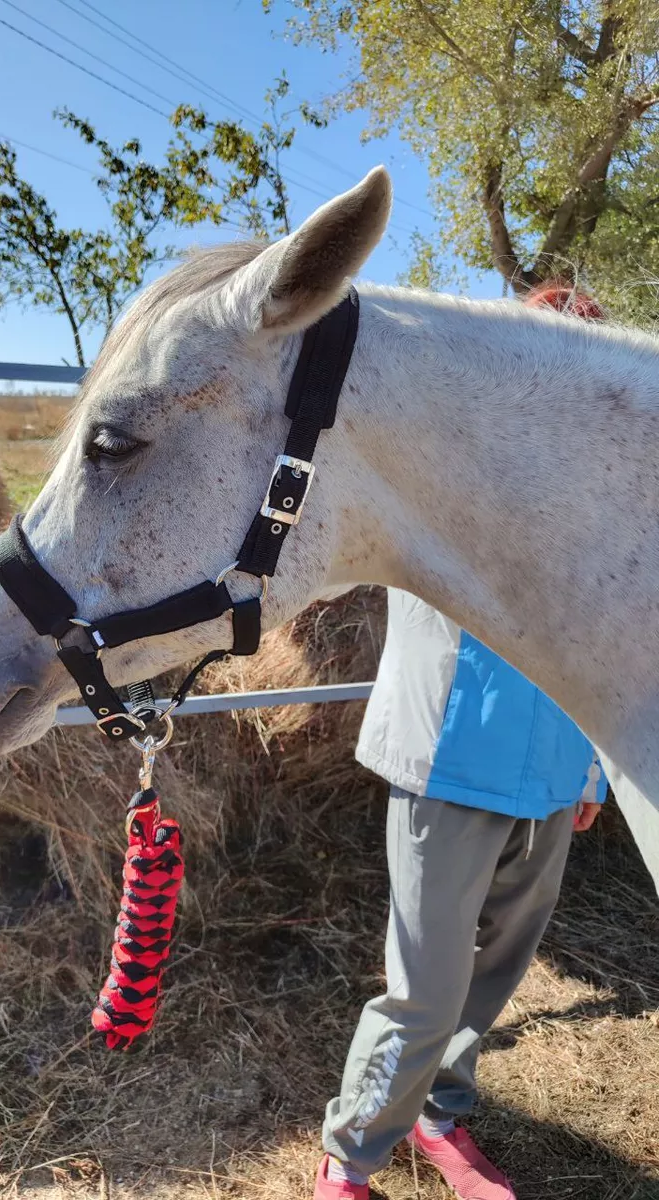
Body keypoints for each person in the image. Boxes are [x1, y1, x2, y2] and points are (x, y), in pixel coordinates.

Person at [315, 284, 608, 1200]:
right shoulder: (439, 459)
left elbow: (609, 636)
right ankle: (354, 1151)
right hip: (448, 757)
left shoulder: (603, 491)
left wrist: (592, 763)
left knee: (496, 972)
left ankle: (440, 1115)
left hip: (556, 765)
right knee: (425, 987)